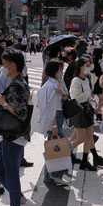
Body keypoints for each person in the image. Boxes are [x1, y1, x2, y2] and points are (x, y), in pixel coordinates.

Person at [0, 49, 32, 206]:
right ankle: (21, 199)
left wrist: (3, 103)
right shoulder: (17, 82)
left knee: (11, 175)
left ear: (13, 65)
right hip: (10, 136)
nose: (3, 67)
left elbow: (21, 113)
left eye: (5, 63)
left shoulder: (16, 85)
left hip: (13, 135)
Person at [36, 59, 70, 188]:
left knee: (54, 147)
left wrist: (62, 94)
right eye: (59, 69)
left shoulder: (57, 83)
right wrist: (54, 126)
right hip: (54, 119)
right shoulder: (50, 86)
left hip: (58, 117)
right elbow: (49, 108)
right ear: (54, 70)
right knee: (63, 147)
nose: (61, 71)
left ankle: (49, 176)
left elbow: (66, 98)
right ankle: (55, 175)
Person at [68, 56, 103, 170]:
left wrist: (93, 102)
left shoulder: (87, 79)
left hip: (87, 110)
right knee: (81, 138)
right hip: (79, 111)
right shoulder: (76, 80)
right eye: (87, 66)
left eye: (90, 65)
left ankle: (86, 160)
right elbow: (75, 97)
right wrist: (88, 95)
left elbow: (89, 95)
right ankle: (63, 154)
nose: (89, 68)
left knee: (89, 135)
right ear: (80, 67)